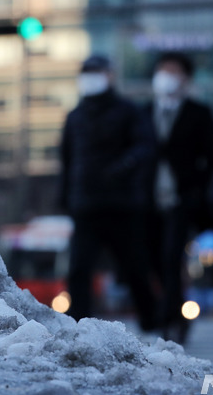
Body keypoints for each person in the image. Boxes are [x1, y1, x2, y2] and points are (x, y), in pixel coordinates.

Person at [59, 54, 158, 332]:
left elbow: (145, 148)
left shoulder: (128, 111)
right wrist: (66, 197)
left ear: (110, 75)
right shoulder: (75, 116)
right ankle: (78, 324)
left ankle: (151, 319)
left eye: (96, 72)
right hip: (86, 206)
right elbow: (67, 160)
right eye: (86, 71)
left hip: (122, 204)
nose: (90, 77)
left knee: (134, 266)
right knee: (79, 269)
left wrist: (124, 167)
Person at [146, 51, 213, 344]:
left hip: (181, 200)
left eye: (173, 70)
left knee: (171, 256)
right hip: (148, 200)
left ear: (185, 78)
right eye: (163, 69)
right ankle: (171, 311)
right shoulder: (143, 112)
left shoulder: (199, 113)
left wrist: (196, 189)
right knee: (153, 259)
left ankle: (171, 320)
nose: (167, 75)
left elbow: (211, 158)